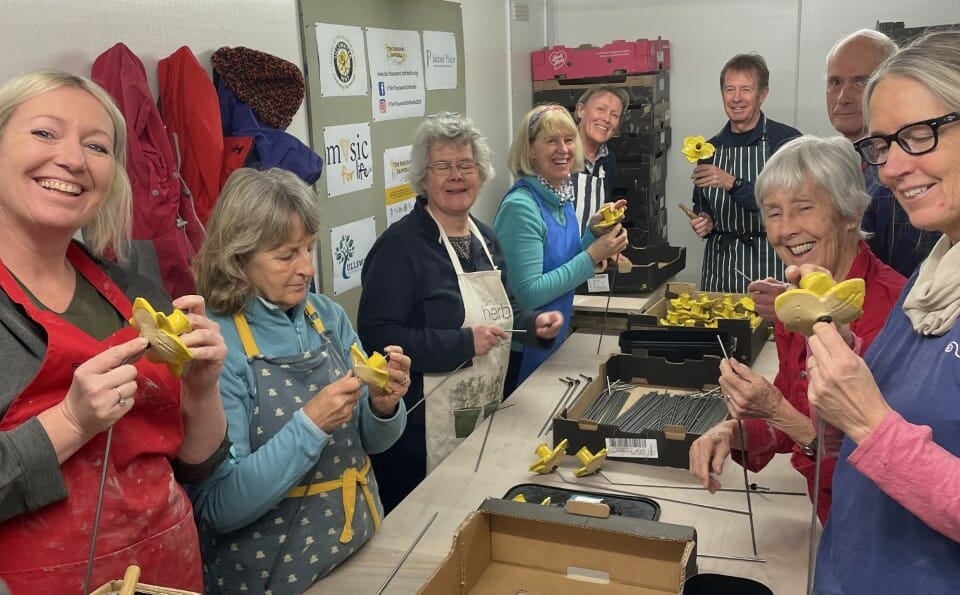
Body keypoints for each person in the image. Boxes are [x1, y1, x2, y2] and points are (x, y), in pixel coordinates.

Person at [0, 70, 229, 592]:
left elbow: (197, 464)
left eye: (97, 146)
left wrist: (201, 386)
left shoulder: (131, 289)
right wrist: (71, 422)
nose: (74, 160)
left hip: (169, 569)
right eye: (44, 133)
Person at [190, 168, 411, 594]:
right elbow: (219, 507)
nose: (307, 268)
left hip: (356, 544)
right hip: (273, 575)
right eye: (286, 255)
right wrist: (309, 425)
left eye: (309, 248)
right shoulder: (219, 348)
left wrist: (383, 406)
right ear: (239, 259)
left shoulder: (327, 317)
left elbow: (372, 441)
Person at [806, 31, 960, 594]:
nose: (891, 168)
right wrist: (848, 367)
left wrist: (869, 419)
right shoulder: (936, 271)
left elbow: (883, 430)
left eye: (918, 136)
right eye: (881, 144)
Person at [688, 136, 905, 524]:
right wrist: (732, 431)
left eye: (804, 208)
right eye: (773, 213)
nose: (786, 229)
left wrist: (776, 410)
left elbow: (881, 469)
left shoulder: (896, 316)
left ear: (851, 212)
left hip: (878, 528)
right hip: (828, 516)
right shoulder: (800, 300)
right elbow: (793, 410)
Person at [357, 113, 564, 513]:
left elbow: (502, 308)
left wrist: (533, 323)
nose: (456, 176)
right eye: (442, 166)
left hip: (483, 416)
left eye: (465, 165)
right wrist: (462, 344)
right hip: (417, 435)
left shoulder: (485, 238)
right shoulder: (399, 249)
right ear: (423, 177)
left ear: (480, 173)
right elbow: (377, 334)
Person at [493, 104, 628, 391]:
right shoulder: (522, 207)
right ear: (530, 149)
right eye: (551, 141)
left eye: (568, 140)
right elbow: (527, 295)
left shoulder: (559, 197)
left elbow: (564, 262)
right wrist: (592, 257)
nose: (563, 149)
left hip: (553, 335)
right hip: (523, 350)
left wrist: (594, 233)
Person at [827, 29, 940, 278]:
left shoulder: (906, 178)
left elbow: (909, 292)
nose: (843, 97)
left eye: (860, 81)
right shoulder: (854, 168)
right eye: (835, 82)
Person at [687, 53, 801, 293]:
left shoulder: (787, 143)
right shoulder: (708, 149)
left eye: (746, 89)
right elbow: (701, 204)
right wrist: (704, 221)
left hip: (771, 263)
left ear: (763, 94)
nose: (736, 98)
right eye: (730, 89)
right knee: (718, 329)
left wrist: (733, 183)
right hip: (721, 267)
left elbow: (793, 209)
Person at [572, 85, 630, 235]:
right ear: (581, 110)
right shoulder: (560, 153)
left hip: (591, 253)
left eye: (614, 115)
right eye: (600, 109)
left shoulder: (608, 162)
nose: (606, 119)